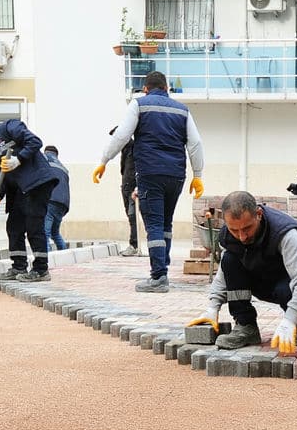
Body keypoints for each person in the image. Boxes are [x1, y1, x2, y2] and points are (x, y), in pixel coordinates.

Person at [93, 71, 204, 293]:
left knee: (153, 224)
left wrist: (104, 160)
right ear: (167, 89)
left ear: (145, 89)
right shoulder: (182, 110)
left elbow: (121, 135)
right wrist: (198, 175)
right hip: (176, 175)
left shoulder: (139, 104)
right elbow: (195, 143)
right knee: (166, 224)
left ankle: (159, 277)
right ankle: (162, 267)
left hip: (150, 173)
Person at [187, 191, 297, 354]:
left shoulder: (285, 232)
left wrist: (291, 320)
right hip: (262, 276)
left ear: (258, 214)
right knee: (229, 259)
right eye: (234, 230)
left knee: (284, 290)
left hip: (290, 281)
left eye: (247, 228)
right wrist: (212, 307)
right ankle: (246, 326)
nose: (242, 236)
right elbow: (226, 271)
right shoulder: (229, 236)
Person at [0, 115, 61, 282]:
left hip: (37, 183)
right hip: (18, 190)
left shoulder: (9, 127)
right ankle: (18, 266)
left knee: (34, 225)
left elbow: (35, 142)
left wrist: (18, 159)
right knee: (14, 226)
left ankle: (41, 270)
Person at [93, 126, 139, 256]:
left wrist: (136, 186)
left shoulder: (133, 147)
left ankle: (134, 244)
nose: (115, 141)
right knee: (131, 215)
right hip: (126, 186)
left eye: (116, 137)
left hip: (132, 187)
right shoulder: (125, 149)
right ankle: (134, 244)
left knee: (132, 216)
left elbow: (137, 169)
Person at [42, 145, 70, 251]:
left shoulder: (44, 160)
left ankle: (47, 258)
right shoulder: (63, 168)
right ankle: (64, 254)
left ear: (45, 152)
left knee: (45, 233)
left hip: (51, 200)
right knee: (55, 233)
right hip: (63, 204)